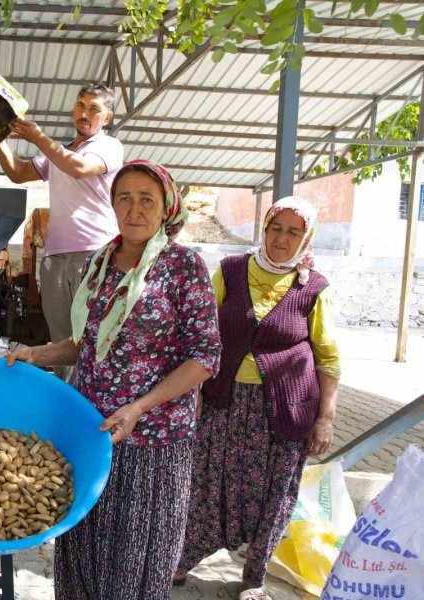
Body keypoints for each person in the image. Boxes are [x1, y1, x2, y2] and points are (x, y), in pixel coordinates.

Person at [6, 160, 221, 600]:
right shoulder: (98, 262)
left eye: (147, 199)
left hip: (151, 441)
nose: (134, 209)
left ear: (166, 208)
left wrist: (139, 407)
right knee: (84, 545)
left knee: (133, 558)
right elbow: (87, 342)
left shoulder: (183, 267)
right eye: (124, 198)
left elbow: (204, 356)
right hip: (89, 429)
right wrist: (37, 354)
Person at [176, 197, 340, 600]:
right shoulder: (231, 271)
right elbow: (202, 334)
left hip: (286, 409)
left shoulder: (314, 288)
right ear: (264, 229)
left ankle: (254, 577)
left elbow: (328, 356)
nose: (282, 239)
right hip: (225, 399)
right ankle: (179, 561)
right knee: (205, 482)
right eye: (275, 228)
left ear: (307, 238)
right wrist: (192, 390)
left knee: (275, 491)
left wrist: (326, 417)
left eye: (293, 232)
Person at [0, 83, 123, 378]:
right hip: (54, 257)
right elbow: (17, 172)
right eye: (80, 105)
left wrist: (38, 137)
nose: (84, 113)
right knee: (62, 340)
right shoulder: (61, 151)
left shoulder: (107, 147)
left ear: (107, 117)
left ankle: (95, 403)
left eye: (94, 109)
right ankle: (67, 403)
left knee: (91, 335)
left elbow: (79, 168)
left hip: (93, 255)